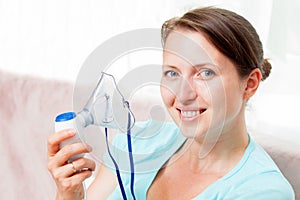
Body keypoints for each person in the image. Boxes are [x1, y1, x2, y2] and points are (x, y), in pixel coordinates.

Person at [47, 7, 295, 199]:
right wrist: (69, 195)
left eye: (205, 73)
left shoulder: (261, 191)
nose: (183, 94)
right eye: (173, 73)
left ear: (250, 84)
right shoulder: (138, 141)